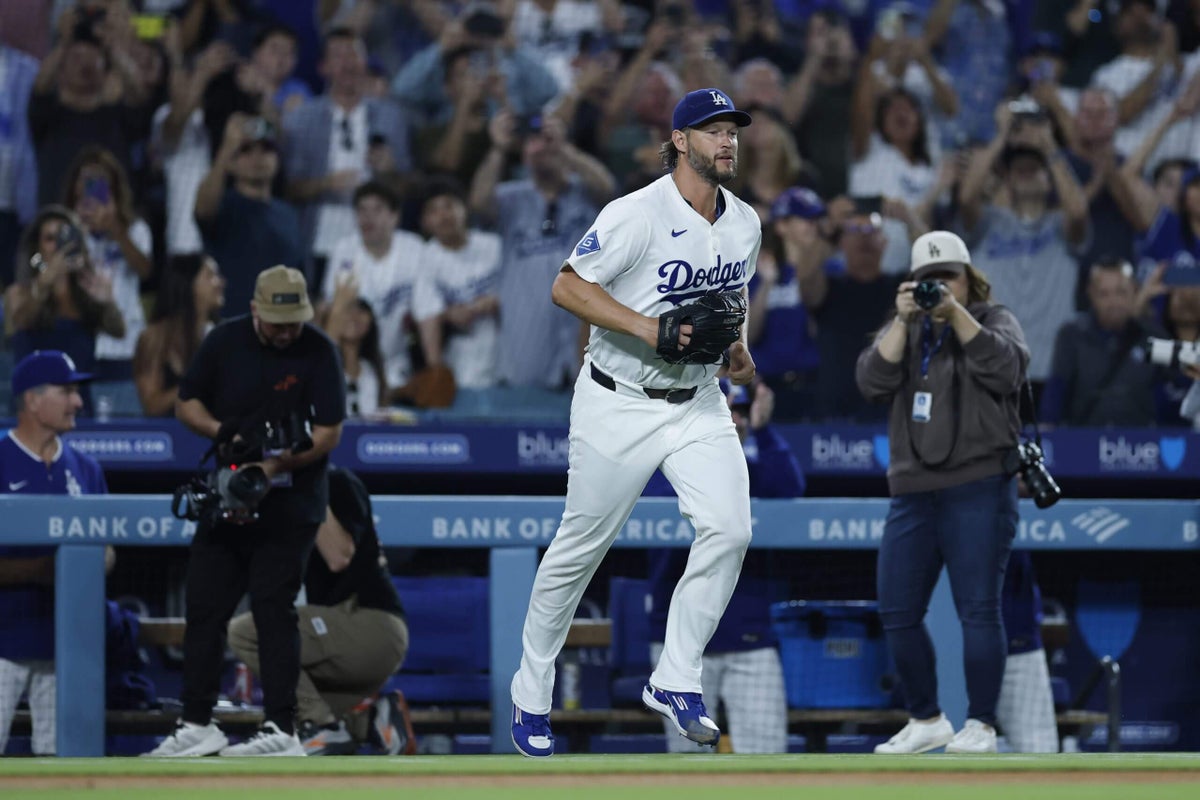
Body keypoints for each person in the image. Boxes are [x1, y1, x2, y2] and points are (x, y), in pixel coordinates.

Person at [509, 87, 760, 758]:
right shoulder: (635, 214)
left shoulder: (746, 224)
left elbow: (730, 303)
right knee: (578, 551)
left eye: (731, 129)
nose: (726, 140)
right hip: (617, 398)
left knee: (731, 528)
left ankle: (676, 677)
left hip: (699, 400)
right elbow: (567, 286)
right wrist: (650, 328)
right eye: (711, 130)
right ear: (680, 141)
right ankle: (530, 693)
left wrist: (739, 352)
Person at [144, 266, 346, 757]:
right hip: (229, 493)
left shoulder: (318, 349)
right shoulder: (224, 340)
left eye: (293, 321)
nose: (285, 331)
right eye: (276, 321)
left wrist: (275, 464)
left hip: (291, 500)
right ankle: (197, 723)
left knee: (273, 611)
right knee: (205, 607)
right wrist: (222, 435)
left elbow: (330, 430)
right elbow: (186, 403)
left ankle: (281, 729)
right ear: (255, 309)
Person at [856, 230, 1029, 754]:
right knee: (896, 609)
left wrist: (955, 313)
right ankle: (926, 718)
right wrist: (905, 321)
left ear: (968, 278)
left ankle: (980, 724)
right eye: (927, 281)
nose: (938, 288)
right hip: (913, 491)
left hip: (979, 485)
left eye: (947, 277)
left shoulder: (994, 318)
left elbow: (1009, 369)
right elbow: (870, 381)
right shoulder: (904, 330)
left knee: (977, 609)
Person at [646, 380, 803, 754]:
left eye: (740, 411)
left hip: (750, 639)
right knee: (687, 767)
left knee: (767, 761)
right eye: (725, 408)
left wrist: (763, 432)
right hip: (681, 647)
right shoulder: (662, 457)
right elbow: (654, 507)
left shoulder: (748, 470)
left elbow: (791, 488)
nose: (734, 419)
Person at [227, 466, 412, 756]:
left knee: (246, 631)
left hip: (370, 623)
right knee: (288, 718)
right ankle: (372, 720)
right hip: (340, 641)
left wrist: (303, 481)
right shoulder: (276, 496)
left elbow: (339, 555)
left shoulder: (336, 481)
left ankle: (322, 726)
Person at [0, 350, 110, 755]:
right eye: (67, 392)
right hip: (3, 642)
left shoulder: (86, 468)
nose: (78, 402)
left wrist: (89, 563)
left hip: (67, 646)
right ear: (32, 400)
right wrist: (47, 568)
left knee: (60, 764)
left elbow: (108, 549)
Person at [3, 206, 125, 415]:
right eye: (50, 239)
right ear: (37, 248)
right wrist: (43, 284)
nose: (58, 246)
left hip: (78, 406)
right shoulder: (19, 292)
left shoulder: (87, 291)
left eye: (64, 237)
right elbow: (21, 322)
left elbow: (118, 331)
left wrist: (107, 301)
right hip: (33, 408)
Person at [132, 254, 226, 417]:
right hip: (170, 435)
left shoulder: (221, 335)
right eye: (210, 276)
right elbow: (151, 405)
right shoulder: (155, 338)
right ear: (188, 284)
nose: (220, 282)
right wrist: (196, 384)